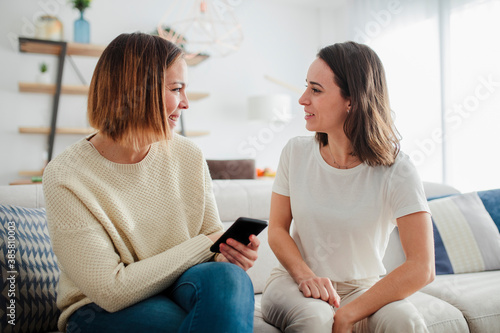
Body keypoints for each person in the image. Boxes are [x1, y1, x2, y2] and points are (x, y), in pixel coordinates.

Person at [43, 32, 259, 333]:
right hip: (100, 309)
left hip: (179, 285)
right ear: (137, 90)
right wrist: (207, 244)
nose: (185, 103)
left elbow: (210, 241)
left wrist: (229, 254)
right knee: (183, 325)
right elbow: (111, 290)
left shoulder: (188, 154)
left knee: (231, 279)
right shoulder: (66, 175)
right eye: (176, 88)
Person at [260, 41, 435, 333]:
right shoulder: (295, 152)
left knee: (407, 323)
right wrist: (306, 276)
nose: (303, 99)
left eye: (315, 90)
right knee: (316, 318)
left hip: (362, 288)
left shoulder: (397, 170)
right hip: (294, 283)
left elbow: (422, 267)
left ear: (351, 100)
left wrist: (348, 313)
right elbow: (277, 229)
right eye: (307, 87)